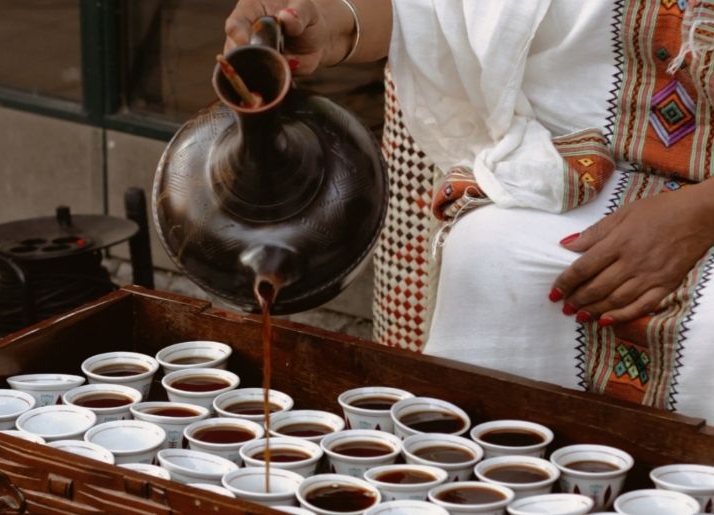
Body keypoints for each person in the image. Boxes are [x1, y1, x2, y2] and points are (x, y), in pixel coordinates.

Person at [225, 0, 714, 421]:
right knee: (487, 254)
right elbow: (438, 15)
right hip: (573, 164)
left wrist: (699, 213)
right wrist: (330, 22)